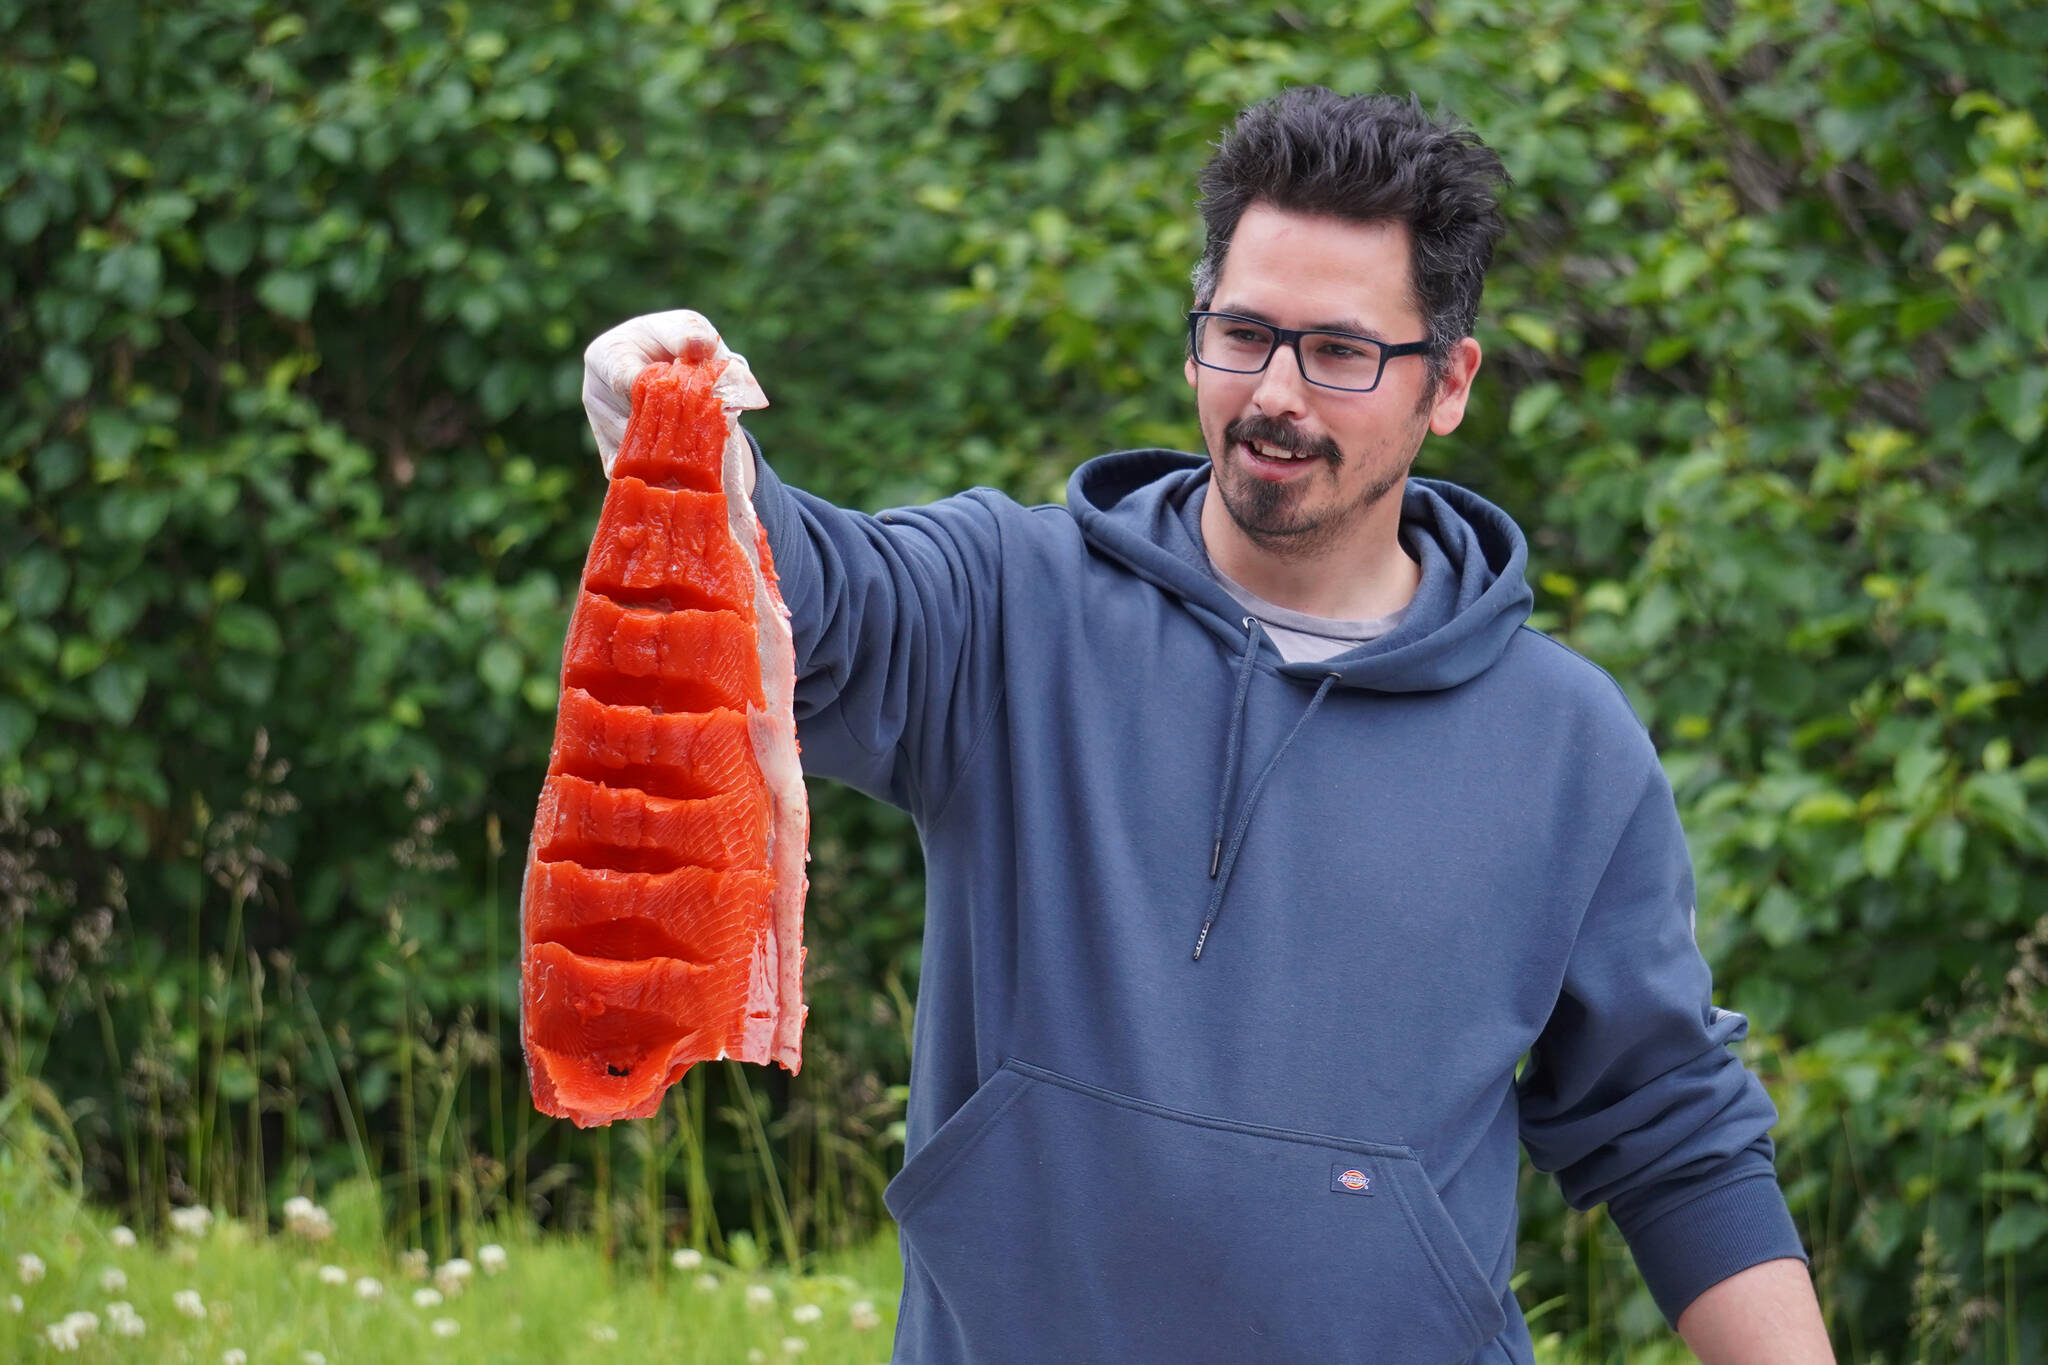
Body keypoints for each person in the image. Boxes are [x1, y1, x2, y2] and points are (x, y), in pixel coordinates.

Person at [580, 87, 1834, 1365]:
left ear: (1446, 384)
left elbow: (1671, 1131)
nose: (1275, 394)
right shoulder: (1011, 605)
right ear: (1193, 340)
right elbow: (813, 604)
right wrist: (693, 467)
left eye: (1341, 353)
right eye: (1243, 334)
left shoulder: (1567, 746)